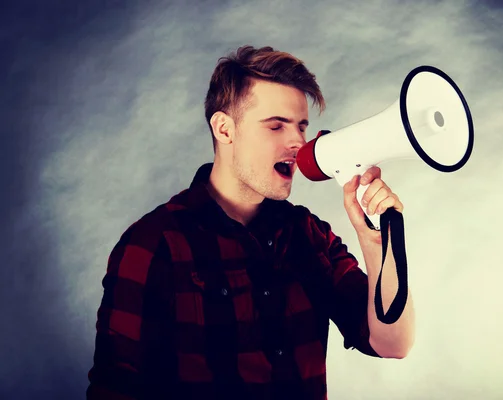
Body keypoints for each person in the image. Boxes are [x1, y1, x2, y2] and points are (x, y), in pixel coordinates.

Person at [86, 45, 415, 400]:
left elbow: (392, 342)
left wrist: (376, 245)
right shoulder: (153, 244)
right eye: (276, 126)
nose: (297, 142)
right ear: (224, 129)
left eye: (301, 127)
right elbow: (114, 388)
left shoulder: (309, 236)